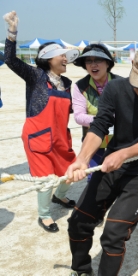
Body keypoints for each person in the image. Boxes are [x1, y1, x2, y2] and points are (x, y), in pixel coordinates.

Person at [65, 46, 138, 276]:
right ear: (132, 67)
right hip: (110, 166)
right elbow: (99, 126)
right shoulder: (115, 89)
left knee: (113, 234)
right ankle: (81, 271)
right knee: (78, 223)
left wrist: (124, 153)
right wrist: (83, 159)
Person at [3, 11, 80, 233]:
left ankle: (60, 197)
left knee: (71, 172)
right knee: (45, 179)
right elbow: (9, 59)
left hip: (60, 137)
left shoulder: (66, 82)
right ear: (48, 58)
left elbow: (71, 109)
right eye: (61, 55)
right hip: (38, 137)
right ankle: (44, 215)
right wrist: (12, 31)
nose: (66, 58)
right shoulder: (36, 76)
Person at [72, 44, 121, 182]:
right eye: (89, 61)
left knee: (116, 178)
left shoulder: (121, 83)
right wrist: (104, 120)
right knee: (93, 180)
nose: (93, 65)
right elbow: (79, 116)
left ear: (108, 63)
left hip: (118, 142)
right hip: (93, 143)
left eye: (98, 60)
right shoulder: (80, 86)